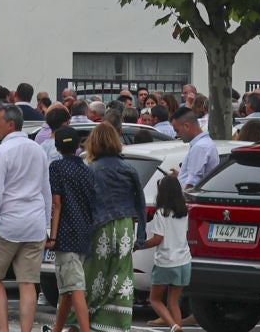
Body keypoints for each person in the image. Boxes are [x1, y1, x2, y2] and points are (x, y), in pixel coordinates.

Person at [0, 104, 49, 332]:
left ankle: (4, 329)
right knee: (28, 282)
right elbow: (45, 190)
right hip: (35, 223)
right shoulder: (38, 149)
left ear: (10, 124)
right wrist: (47, 223)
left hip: (7, 223)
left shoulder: (1, 151)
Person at [84, 122, 146, 332]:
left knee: (95, 274)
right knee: (122, 275)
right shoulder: (129, 168)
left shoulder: (91, 169)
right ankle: (118, 324)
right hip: (126, 226)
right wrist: (142, 235)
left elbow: (86, 203)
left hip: (99, 226)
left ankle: (89, 319)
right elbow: (140, 201)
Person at [42, 129, 96, 332]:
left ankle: (85, 330)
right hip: (85, 232)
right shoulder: (87, 170)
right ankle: (57, 329)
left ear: (56, 147)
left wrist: (53, 236)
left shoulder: (56, 167)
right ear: (77, 147)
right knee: (67, 288)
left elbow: (57, 203)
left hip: (66, 234)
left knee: (75, 287)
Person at [147, 174, 193, 332]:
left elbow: (157, 239)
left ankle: (173, 326)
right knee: (173, 302)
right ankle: (177, 327)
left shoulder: (161, 213)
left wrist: (139, 245)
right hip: (184, 261)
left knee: (154, 299)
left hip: (166, 262)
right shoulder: (184, 211)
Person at [171, 109, 218, 191]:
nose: (177, 135)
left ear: (186, 126)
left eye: (177, 131)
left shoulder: (200, 147)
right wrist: (180, 176)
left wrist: (182, 201)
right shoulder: (203, 144)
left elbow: (192, 184)